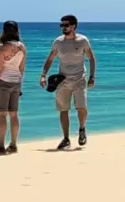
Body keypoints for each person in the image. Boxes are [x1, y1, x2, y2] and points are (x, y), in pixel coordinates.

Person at [39, 15, 96, 150]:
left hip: (79, 79)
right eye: (61, 25)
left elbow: (92, 59)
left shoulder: (83, 41)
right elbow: (50, 59)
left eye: (66, 25)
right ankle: (66, 139)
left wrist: (92, 77)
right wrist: (43, 75)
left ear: (73, 26)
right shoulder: (58, 42)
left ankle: (82, 129)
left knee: (81, 107)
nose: (63, 27)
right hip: (62, 80)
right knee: (63, 110)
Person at [0, 21, 25, 154]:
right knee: (14, 115)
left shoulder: (3, 48)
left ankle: (1, 145)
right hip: (16, 82)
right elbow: (21, 68)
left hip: (3, 82)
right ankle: (13, 145)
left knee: (2, 115)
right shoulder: (22, 47)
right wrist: (20, 84)